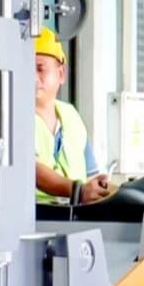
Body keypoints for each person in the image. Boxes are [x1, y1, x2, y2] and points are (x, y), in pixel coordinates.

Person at [34, 27, 112, 205]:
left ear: (61, 74)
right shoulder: (12, 116)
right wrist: (77, 191)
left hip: (75, 214)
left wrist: (104, 188)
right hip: (35, 215)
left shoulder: (70, 115)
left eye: (40, 68)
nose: (33, 77)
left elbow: (91, 175)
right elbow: (31, 170)